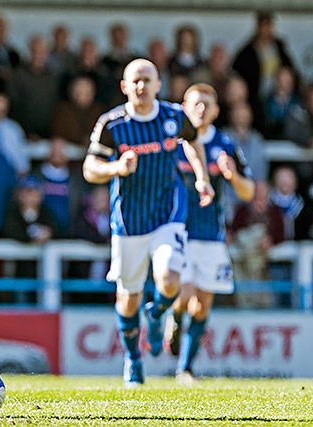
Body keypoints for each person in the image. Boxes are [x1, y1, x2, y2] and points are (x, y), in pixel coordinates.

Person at [82, 58, 213, 387]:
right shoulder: (112, 124)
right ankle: (133, 360)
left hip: (168, 212)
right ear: (125, 87)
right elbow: (89, 168)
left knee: (170, 277)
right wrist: (116, 169)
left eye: (148, 80)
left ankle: (156, 316)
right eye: (135, 81)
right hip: (128, 221)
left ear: (158, 84)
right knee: (128, 297)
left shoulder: (174, 116)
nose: (142, 86)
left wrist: (201, 177)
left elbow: (194, 141)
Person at [164, 83, 255, 386]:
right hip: (178, 231)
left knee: (202, 304)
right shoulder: (173, 142)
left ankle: (185, 369)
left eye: (207, 103)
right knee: (184, 293)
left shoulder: (226, 144)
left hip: (212, 236)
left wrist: (232, 175)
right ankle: (174, 320)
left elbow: (249, 191)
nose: (201, 109)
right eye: (195, 103)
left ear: (216, 110)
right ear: (185, 108)